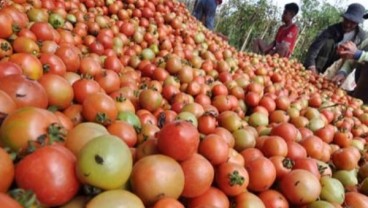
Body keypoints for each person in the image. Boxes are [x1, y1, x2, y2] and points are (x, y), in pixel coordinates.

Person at [304, 3, 367, 74]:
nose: (348, 25)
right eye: (346, 20)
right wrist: (311, 66)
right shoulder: (332, 30)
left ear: (357, 23)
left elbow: (358, 61)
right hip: (320, 66)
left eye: (352, 23)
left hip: (339, 71)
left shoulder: (361, 37)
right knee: (328, 42)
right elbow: (314, 48)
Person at [332, 36, 368, 104]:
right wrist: (343, 72)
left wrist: (359, 54)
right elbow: (352, 57)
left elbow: (358, 54)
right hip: (359, 91)